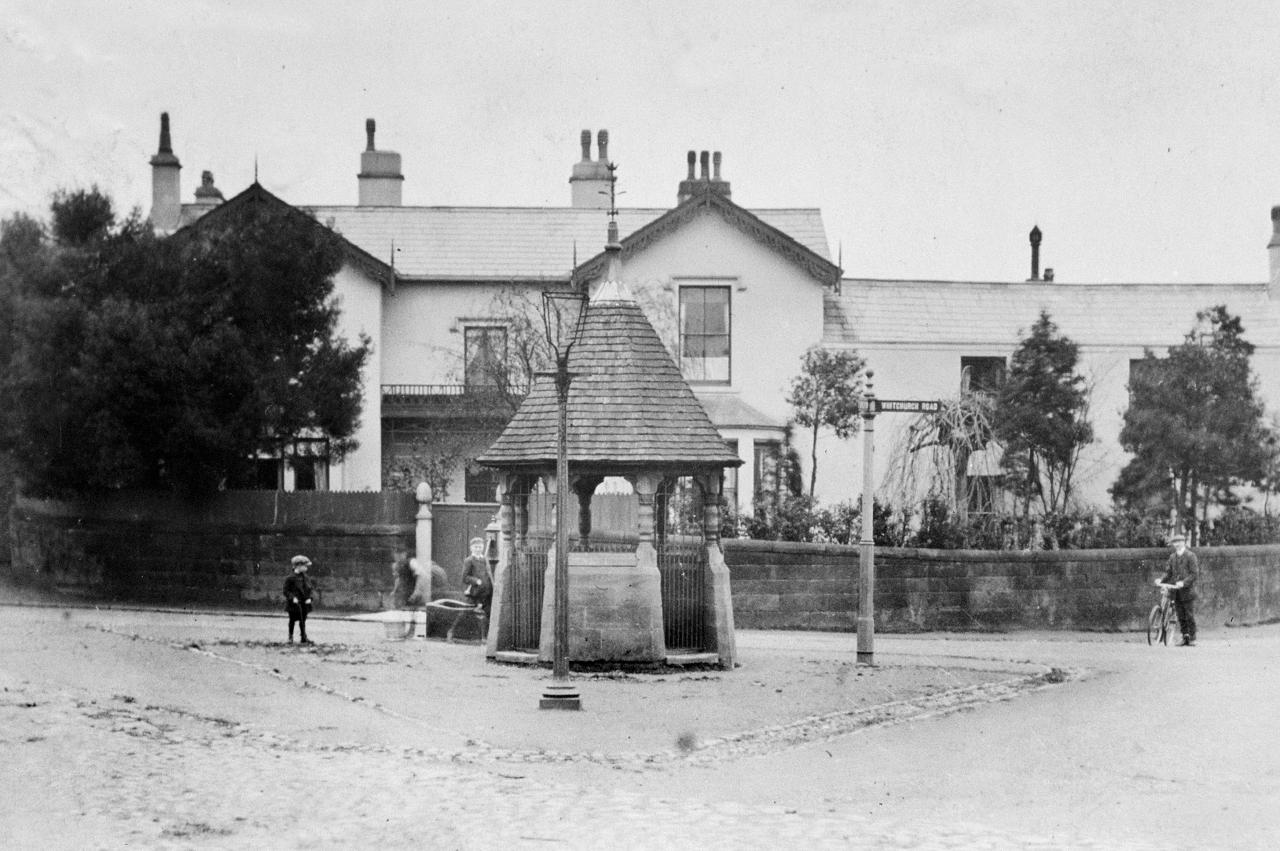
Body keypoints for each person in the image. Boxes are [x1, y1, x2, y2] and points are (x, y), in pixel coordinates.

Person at [1159, 533, 1198, 646]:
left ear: (1184, 542)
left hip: (1187, 592)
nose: (1177, 544)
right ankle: (1184, 637)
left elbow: (1194, 574)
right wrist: (1161, 580)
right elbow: (1168, 572)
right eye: (1175, 542)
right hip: (1176, 592)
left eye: (1179, 542)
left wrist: (1183, 583)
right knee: (1180, 616)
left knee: (1189, 615)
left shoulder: (1191, 556)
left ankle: (1192, 638)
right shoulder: (1172, 557)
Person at [283, 554, 314, 644]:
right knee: (292, 620)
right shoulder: (290, 578)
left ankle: (303, 637)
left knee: (303, 621)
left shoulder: (305, 577)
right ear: (298, 566)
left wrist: (309, 598)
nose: (306, 568)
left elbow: (310, 589)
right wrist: (292, 598)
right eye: (305, 566)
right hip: (294, 604)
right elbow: (286, 591)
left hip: (304, 603)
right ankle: (290, 637)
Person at [461, 537, 493, 614]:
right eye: (476, 547)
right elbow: (464, 578)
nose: (478, 549)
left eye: (480, 547)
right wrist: (476, 581)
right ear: (471, 548)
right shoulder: (469, 560)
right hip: (476, 594)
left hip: (487, 594)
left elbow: (488, 574)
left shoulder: (484, 559)